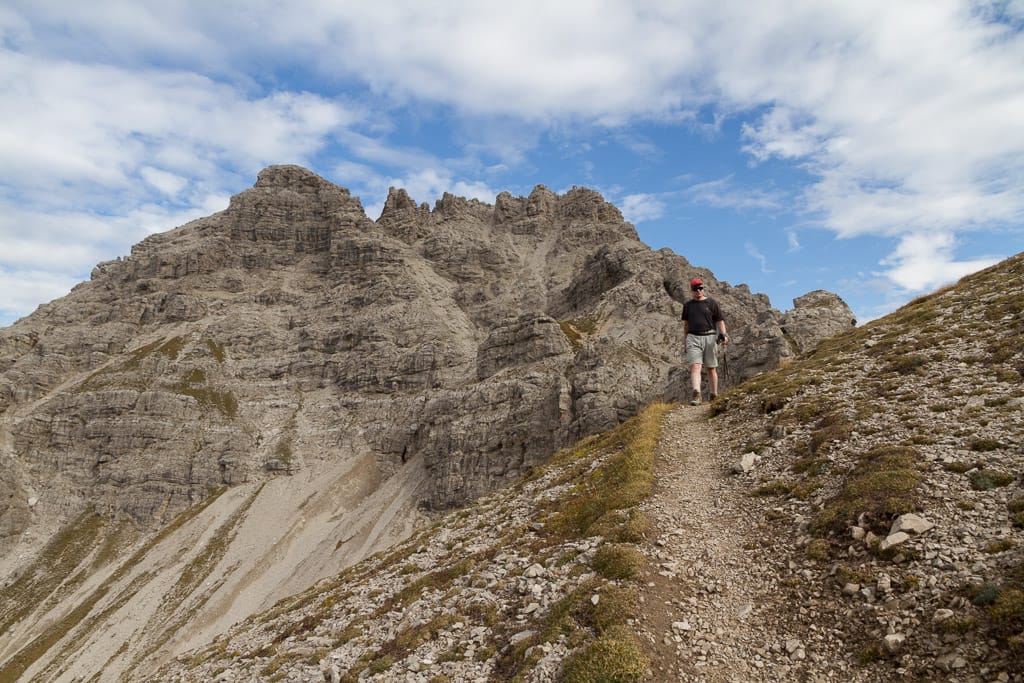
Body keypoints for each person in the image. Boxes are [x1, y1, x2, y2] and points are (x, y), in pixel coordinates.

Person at [682, 278, 728, 405]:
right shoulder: (687, 306)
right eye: (696, 289)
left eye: (700, 288)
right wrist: (685, 341)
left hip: (710, 337)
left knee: (711, 368)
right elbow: (686, 325)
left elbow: (720, 320)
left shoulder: (711, 303)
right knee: (695, 366)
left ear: (703, 289)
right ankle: (697, 394)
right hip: (693, 337)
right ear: (691, 291)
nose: (698, 291)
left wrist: (723, 334)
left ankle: (714, 394)